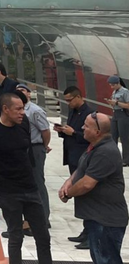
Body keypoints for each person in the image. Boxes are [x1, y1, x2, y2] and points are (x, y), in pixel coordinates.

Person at [0, 93, 52, 264]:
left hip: (30, 187)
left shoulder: (23, 124)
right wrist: (3, 171)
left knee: (43, 236)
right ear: (5, 109)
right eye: (18, 109)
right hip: (8, 191)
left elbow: (26, 153)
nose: (22, 113)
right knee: (15, 236)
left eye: (23, 109)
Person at [58, 112, 128, 264]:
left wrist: (68, 194)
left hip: (106, 221)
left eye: (87, 126)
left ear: (97, 132)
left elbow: (86, 184)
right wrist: (69, 182)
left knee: (106, 260)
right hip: (97, 218)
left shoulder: (105, 151)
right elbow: (82, 168)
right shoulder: (94, 146)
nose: (82, 127)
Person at [56, 85, 95, 249]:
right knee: (80, 197)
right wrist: (62, 130)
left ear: (79, 97)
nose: (68, 103)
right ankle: (85, 231)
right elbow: (71, 131)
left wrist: (74, 133)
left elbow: (92, 137)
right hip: (73, 158)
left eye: (70, 100)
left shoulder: (90, 114)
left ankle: (91, 235)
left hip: (83, 157)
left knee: (88, 196)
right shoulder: (73, 111)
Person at [17, 84, 53, 225]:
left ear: (29, 94)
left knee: (37, 182)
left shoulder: (35, 111)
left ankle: (44, 217)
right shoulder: (17, 110)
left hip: (35, 148)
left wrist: (43, 146)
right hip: (22, 149)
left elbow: (45, 131)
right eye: (18, 91)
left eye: (23, 90)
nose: (20, 93)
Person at [106, 75, 129, 166]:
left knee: (124, 137)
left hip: (123, 114)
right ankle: (113, 157)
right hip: (115, 113)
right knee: (113, 136)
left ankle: (126, 159)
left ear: (117, 83)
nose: (112, 87)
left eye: (113, 85)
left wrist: (116, 103)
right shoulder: (114, 92)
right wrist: (111, 103)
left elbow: (127, 105)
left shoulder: (125, 92)